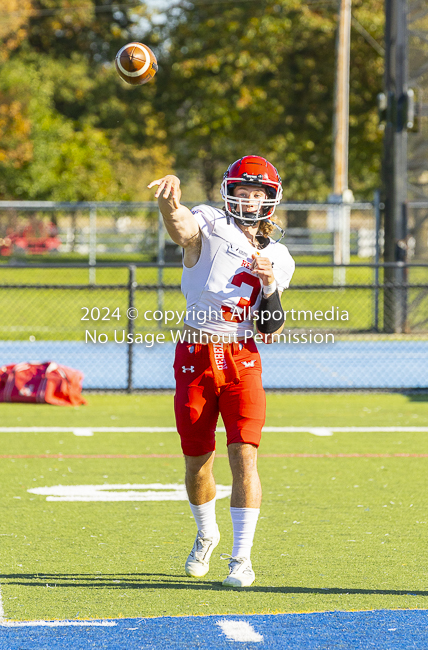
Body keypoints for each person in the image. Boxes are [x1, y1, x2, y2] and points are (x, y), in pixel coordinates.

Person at [148, 155, 295, 587]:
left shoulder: (281, 256)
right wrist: (169, 202)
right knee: (197, 461)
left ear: (270, 201)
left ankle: (241, 557)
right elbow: (182, 230)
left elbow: (270, 328)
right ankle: (206, 531)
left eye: (258, 194)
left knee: (244, 454)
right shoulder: (210, 223)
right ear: (230, 193)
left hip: (242, 355)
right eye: (243, 192)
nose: (249, 201)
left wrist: (269, 286)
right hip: (195, 352)